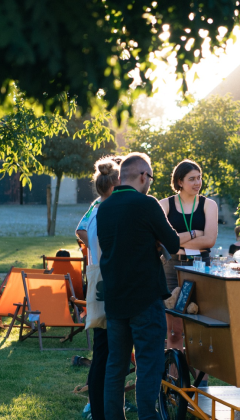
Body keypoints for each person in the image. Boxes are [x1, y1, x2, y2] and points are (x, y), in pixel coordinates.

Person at [97, 153, 180, 420]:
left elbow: (117, 247)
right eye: (151, 177)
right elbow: (174, 243)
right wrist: (155, 242)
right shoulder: (147, 204)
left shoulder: (104, 207)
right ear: (143, 175)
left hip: (115, 297)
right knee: (149, 365)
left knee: (116, 367)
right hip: (145, 297)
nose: (150, 184)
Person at [75, 157, 121, 420]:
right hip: (110, 280)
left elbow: (80, 231)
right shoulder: (112, 209)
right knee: (111, 351)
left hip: (95, 277)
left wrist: (94, 250)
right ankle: (103, 409)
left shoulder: (95, 209)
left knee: (102, 349)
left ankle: (99, 408)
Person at [159, 159, 218, 351]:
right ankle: (174, 378)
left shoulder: (209, 205)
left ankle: (201, 381)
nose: (197, 183)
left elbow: (209, 241)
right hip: (171, 266)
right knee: (174, 329)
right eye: (191, 179)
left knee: (199, 326)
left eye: (199, 178)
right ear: (179, 182)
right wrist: (194, 234)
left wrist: (176, 241)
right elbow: (161, 240)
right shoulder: (164, 205)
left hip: (200, 264)